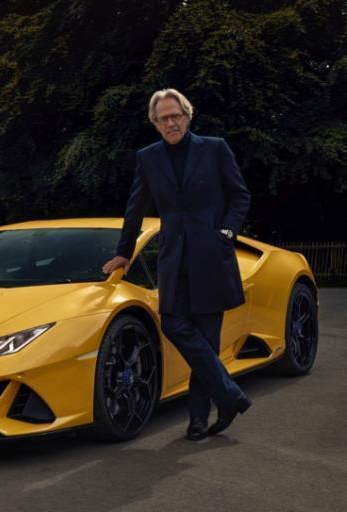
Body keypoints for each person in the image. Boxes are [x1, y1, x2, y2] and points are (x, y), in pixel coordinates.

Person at [102, 88, 252, 440]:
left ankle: (199, 420)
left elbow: (240, 195)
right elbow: (135, 208)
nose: (171, 122)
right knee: (172, 324)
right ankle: (229, 395)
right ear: (155, 124)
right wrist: (124, 251)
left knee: (207, 342)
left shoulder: (215, 148)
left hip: (212, 256)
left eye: (176, 115)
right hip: (174, 259)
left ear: (188, 115)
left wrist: (227, 232)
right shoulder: (148, 158)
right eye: (163, 118)